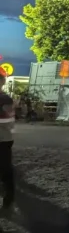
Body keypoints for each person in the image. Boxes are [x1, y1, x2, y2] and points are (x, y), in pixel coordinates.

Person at [0, 66, 16, 214]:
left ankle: (8, 198)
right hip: (5, 139)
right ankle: (8, 198)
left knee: (5, 170)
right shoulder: (6, 99)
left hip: (3, 138)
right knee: (6, 169)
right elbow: (10, 121)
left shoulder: (5, 99)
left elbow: (7, 121)